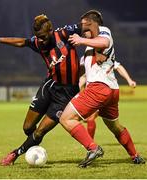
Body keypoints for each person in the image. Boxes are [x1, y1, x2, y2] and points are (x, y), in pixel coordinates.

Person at [0, 14, 84, 166]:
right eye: (38, 37)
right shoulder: (38, 43)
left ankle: (15, 154)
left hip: (66, 94)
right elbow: (21, 42)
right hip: (49, 86)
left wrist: (94, 41)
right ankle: (34, 145)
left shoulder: (64, 34)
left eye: (42, 37)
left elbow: (87, 25)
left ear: (50, 31)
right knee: (28, 127)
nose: (40, 40)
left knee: (40, 131)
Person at [59, 10, 145, 168]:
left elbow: (104, 43)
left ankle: (93, 148)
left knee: (66, 119)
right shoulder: (90, 44)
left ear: (93, 24)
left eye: (84, 25)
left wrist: (80, 40)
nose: (81, 29)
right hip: (111, 90)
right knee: (115, 126)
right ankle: (135, 156)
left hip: (99, 88)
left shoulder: (104, 32)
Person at [79, 59, 137, 139]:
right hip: (98, 92)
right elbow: (79, 70)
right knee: (113, 125)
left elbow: (119, 67)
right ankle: (91, 144)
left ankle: (91, 145)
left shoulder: (106, 56)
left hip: (102, 91)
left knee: (90, 118)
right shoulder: (87, 58)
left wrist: (129, 80)